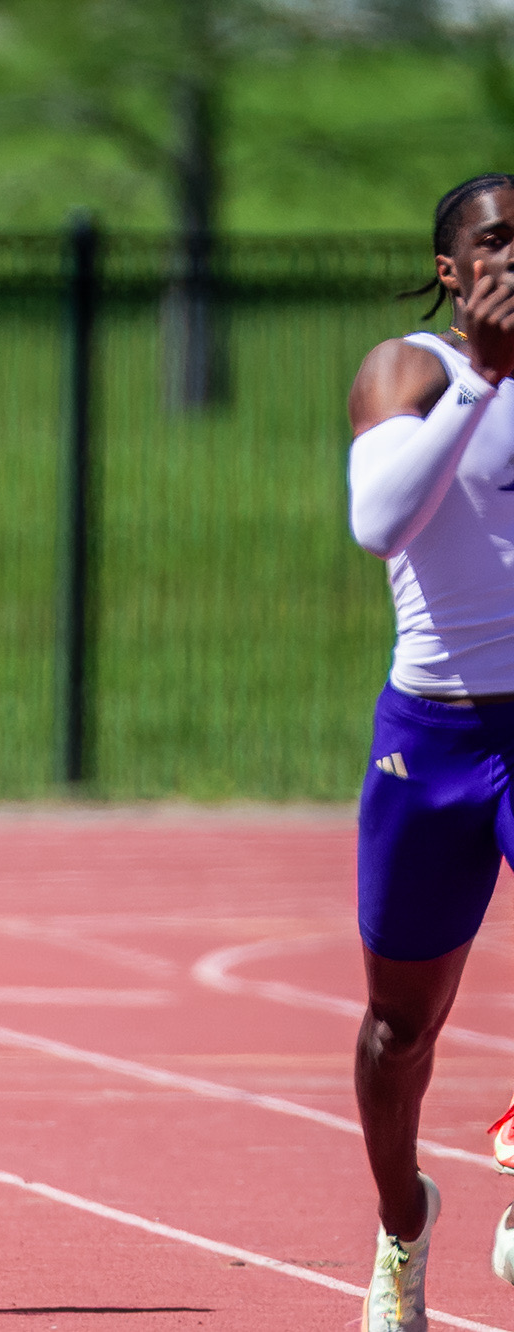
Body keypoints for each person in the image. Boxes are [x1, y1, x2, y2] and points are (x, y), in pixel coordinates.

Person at [347, 171, 514, 1330]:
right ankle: (402, 1222)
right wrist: (484, 380)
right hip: (430, 739)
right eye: (499, 242)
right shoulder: (410, 369)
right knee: (396, 1027)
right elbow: (379, 522)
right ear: (453, 271)